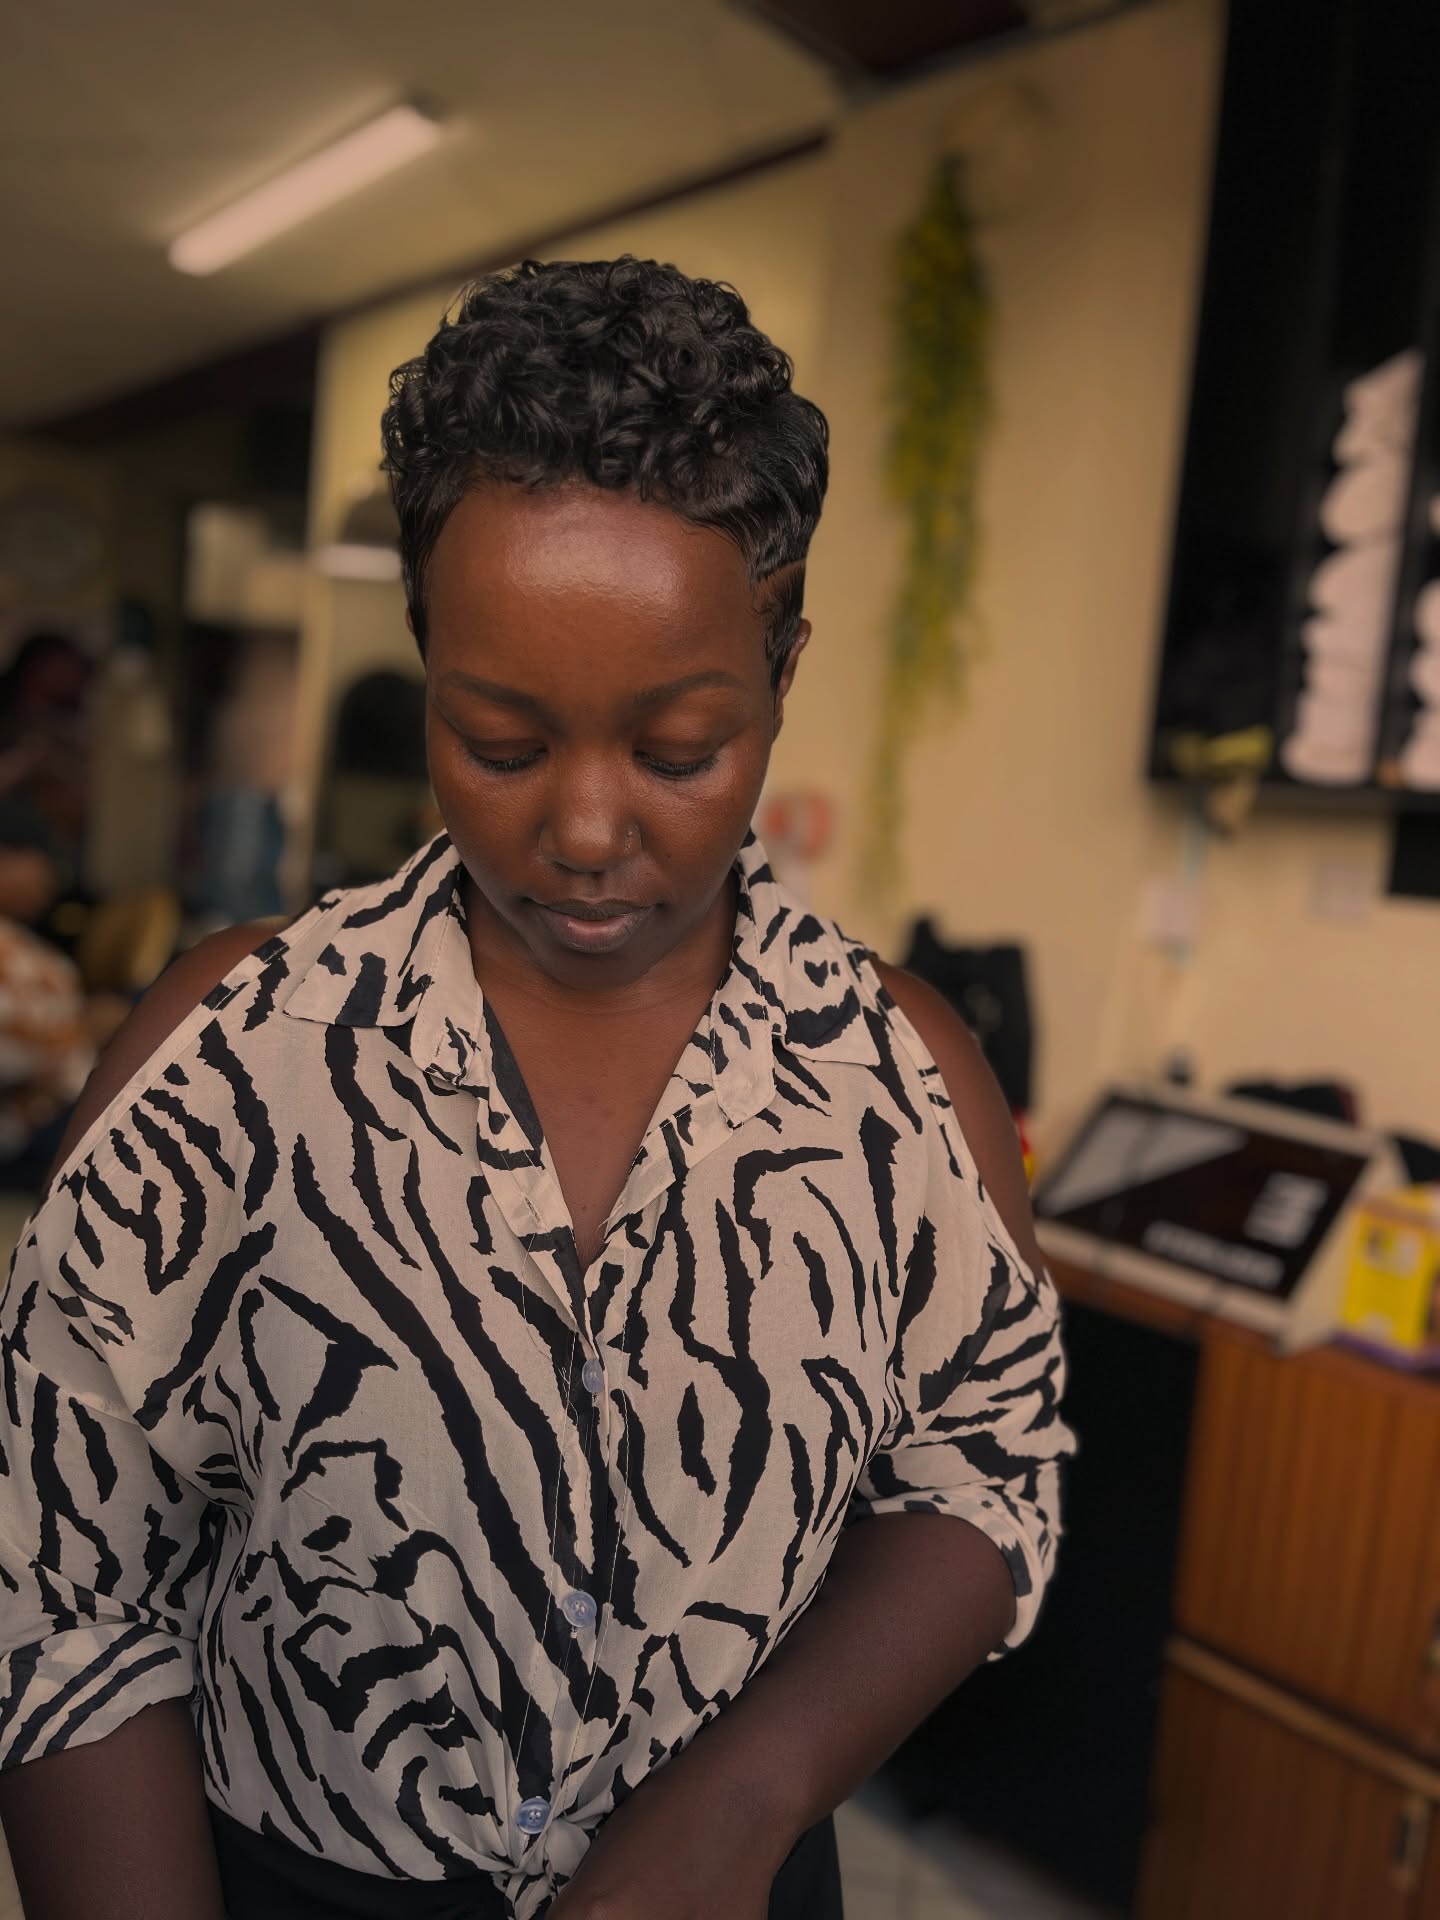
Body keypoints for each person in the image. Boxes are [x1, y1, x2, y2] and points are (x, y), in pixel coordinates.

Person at [0, 258, 1073, 1920]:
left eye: (678, 748)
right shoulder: (239, 1050)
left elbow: (984, 1467)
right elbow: (58, 1562)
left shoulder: (899, 1083)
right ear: (427, 665)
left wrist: (747, 1795)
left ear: (782, 670)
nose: (582, 828)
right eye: (499, 741)